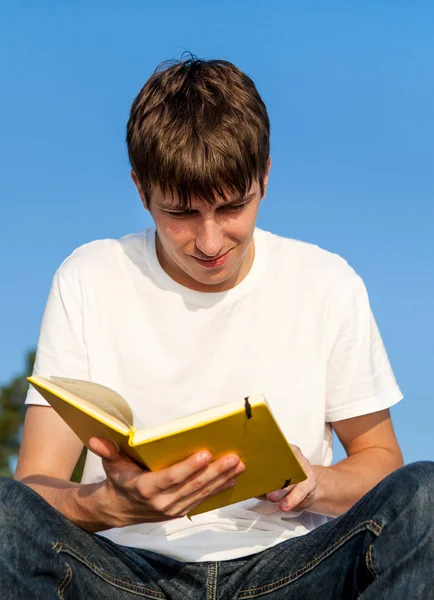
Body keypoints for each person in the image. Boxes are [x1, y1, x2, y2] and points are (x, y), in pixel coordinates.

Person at [0, 57, 432, 600]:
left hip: (290, 571)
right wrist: (107, 505)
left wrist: (316, 482)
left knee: (426, 496)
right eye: (180, 213)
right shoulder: (89, 276)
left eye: (233, 207)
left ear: (265, 176)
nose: (209, 242)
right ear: (141, 189)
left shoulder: (327, 281)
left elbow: (382, 463)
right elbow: (31, 489)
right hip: (122, 572)